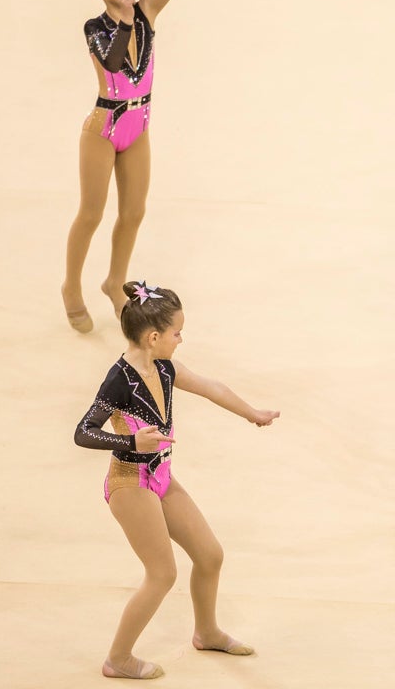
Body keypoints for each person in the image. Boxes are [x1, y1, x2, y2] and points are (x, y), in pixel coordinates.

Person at [75, 281, 279, 679]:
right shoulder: (120, 380)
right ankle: (118, 658)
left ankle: (206, 632)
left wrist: (251, 412)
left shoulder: (163, 367)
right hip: (129, 481)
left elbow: (209, 387)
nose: (181, 339)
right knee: (162, 574)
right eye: (176, 333)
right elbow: (83, 431)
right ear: (153, 337)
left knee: (210, 555)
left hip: (160, 475)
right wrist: (130, 439)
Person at [62, 0, 224, 332]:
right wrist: (126, 22)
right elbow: (113, 60)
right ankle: (70, 286)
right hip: (103, 128)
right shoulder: (95, 28)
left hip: (138, 127)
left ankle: (115, 282)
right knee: (92, 213)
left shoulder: (148, 13)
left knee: (134, 212)